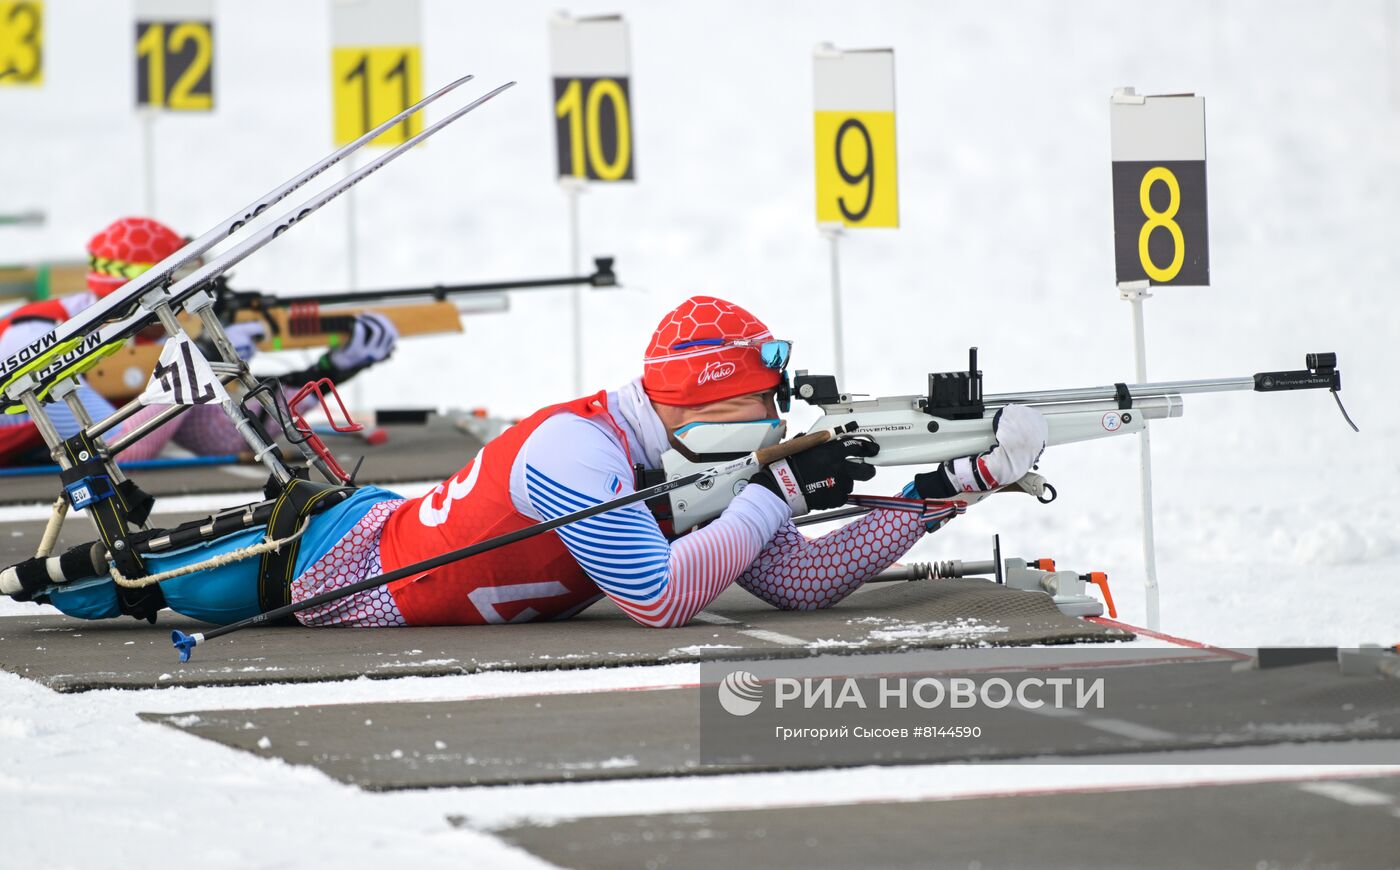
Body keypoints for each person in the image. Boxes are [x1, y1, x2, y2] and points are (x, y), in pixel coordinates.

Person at [5, 295, 1047, 628]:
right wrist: (776, 491)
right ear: (699, 396)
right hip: (322, 565)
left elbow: (793, 580)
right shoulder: (576, 453)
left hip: (362, 539)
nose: (774, 413)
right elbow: (655, 599)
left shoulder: (681, 458)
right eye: (758, 397)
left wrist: (945, 492)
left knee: (117, 589)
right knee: (116, 589)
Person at [0, 216, 398, 466]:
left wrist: (328, 370)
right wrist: (198, 361)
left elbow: (219, 438)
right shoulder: (36, 339)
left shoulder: (126, 344)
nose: (186, 301)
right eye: (176, 283)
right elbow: (123, 452)